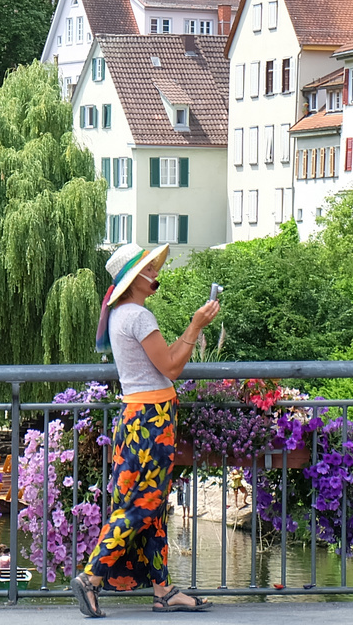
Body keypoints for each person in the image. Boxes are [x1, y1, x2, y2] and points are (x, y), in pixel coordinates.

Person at [70, 243, 219, 618]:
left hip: (137, 417)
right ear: (133, 279)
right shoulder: (138, 316)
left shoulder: (122, 314)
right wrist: (196, 325)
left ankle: (163, 591)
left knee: (149, 509)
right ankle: (91, 577)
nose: (155, 271)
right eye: (148, 268)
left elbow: (157, 364)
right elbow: (170, 367)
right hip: (152, 420)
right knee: (144, 504)